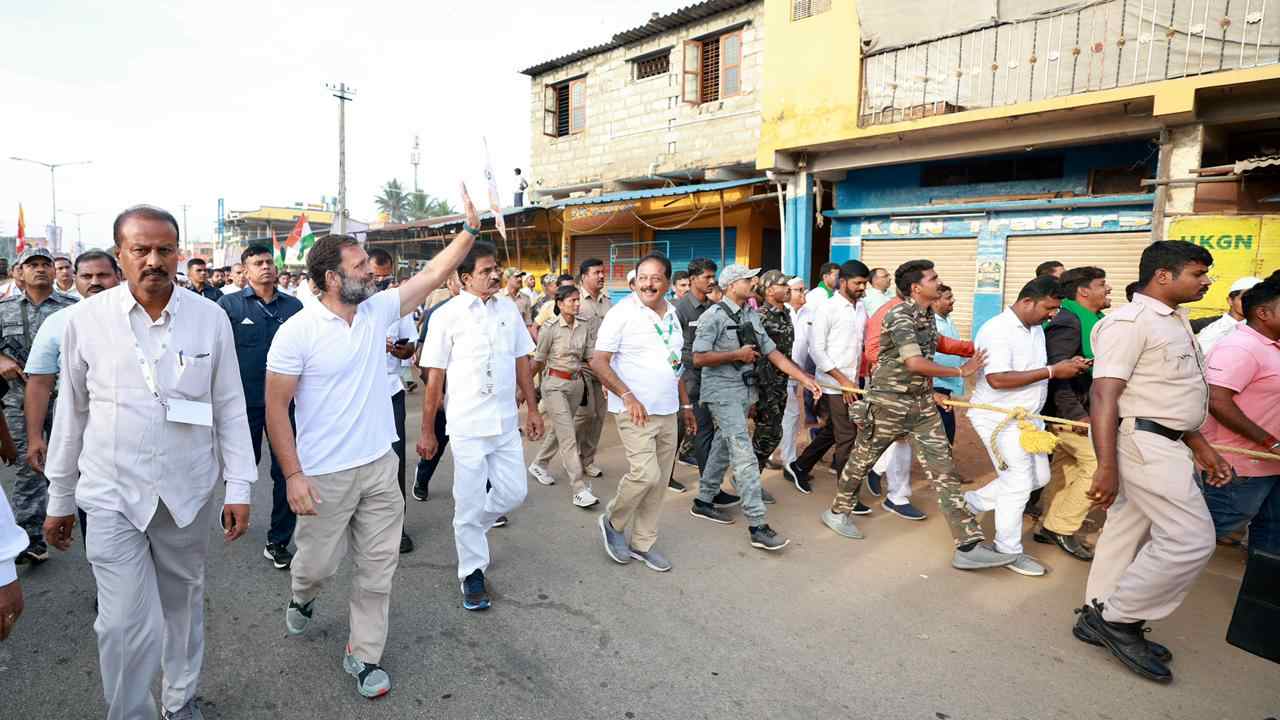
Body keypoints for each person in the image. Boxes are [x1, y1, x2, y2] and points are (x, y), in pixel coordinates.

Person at [42, 205, 256, 720]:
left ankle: (180, 699)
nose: (154, 260)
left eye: (165, 249)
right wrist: (59, 498)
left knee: (181, 607)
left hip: (185, 491)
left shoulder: (210, 318)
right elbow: (70, 411)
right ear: (121, 254)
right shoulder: (85, 321)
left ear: (178, 253)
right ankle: (130, 712)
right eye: (141, 249)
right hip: (111, 493)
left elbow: (229, 403)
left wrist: (240, 487)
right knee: (119, 622)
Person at [265, 196, 477, 699]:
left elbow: (429, 276)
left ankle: (362, 655)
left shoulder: (376, 310)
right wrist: (293, 476)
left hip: (381, 466)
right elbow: (276, 410)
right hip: (323, 476)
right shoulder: (296, 333)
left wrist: (469, 230)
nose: (373, 272)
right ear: (333, 278)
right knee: (316, 566)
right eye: (360, 265)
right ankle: (302, 596)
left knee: (378, 570)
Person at [1071, 240, 1231, 684]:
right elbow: (1104, 394)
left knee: (1125, 531)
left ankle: (1096, 612)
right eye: (1197, 274)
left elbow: (1168, 394)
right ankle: (1119, 620)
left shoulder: (1175, 320)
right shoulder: (1129, 322)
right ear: (1164, 275)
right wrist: (1106, 465)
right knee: (1191, 539)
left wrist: (1200, 444)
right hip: (1144, 444)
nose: (1206, 282)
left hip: (1167, 440)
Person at [824, 261, 1007, 568]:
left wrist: (972, 349)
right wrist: (961, 370)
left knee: (944, 470)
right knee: (863, 459)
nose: (940, 282)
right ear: (916, 287)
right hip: (888, 403)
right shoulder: (898, 315)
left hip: (921, 405)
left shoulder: (926, 315)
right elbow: (914, 363)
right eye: (934, 278)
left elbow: (937, 344)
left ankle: (968, 545)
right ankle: (837, 511)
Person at [419, 240, 544, 611]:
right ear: (465, 277)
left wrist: (533, 409)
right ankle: (471, 572)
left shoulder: (508, 309)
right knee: (469, 500)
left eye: (497, 268)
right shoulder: (446, 315)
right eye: (486, 270)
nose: (495, 275)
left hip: (505, 422)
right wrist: (428, 429)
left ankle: (470, 527)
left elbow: (522, 360)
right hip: (467, 425)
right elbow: (434, 378)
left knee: (513, 494)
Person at [964, 277, 1090, 577]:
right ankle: (1007, 550)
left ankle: (970, 502)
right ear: (1027, 302)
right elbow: (997, 379)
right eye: (1049, 308)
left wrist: (1065, 365)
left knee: (1039, 477)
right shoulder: (997, 329)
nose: (1052, 315)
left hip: (1028, 420)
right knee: (1018, 483)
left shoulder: (1034, 328)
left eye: (1057, 310)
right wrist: (1052, 371)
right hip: (999, 418)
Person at [692, 264, 822, 551]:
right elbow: (698, 358)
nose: (753, 282)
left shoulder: (751, 314)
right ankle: (757, 525)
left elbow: (772, 352)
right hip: (721, 392)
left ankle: (704, 500)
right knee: (744, 454)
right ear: (731, 285)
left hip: (744, 392)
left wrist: (805, 378)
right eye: (747, 279)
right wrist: (735, 355)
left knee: (723, 446)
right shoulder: (712, 316)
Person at [592, 254, 696, 571]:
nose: (649, 284)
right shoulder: (622, 313)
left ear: (666, 282)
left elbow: (673, 363)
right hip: (634, 410)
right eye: (643, 277)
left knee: (660, 481)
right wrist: (627, 395)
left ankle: (642, 544)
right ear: (635, 280)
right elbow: (598, 360)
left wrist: (686, 405)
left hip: (668, 410)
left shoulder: (673, 314)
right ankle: (613, 521)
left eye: (656, 278)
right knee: (645, 474)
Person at [22, 250, 121, 545]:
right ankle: (108, 585)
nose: (95, 282)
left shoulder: (142, 318)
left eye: (103, 275)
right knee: (95, 508)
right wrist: (35, 436)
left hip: (135, 434)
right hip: (82, 432)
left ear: (118, 276)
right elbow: (39, 382)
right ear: (74, 280)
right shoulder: (59, 322)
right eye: (87, 276)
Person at [217, 245, 304, 570]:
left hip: (285, 405)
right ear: (245, 270)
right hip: (243, 403)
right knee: (242, 464)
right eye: (258, 263)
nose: (266, 267)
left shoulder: (294, 307)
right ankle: (234, 504)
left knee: (287, 471)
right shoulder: (228, 306)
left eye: (269, 262)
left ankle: (278, 540)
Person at [0, 247, 78, 563]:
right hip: (19, 400)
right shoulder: (3, 310)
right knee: (28, 465)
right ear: (20, 271)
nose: (41, 269)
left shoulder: (74, 308)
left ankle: (79, 522)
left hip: (66, 400)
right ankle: (30, 539)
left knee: (74, 464)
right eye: (32, 264)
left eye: (46, 264)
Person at [1199, 275, 1280, 553]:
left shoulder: (1272, 345)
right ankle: (1133, 591)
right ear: (1263, 313)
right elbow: (1217, 400)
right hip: (1239, 468)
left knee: (1269, 544)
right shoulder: (1239, 347)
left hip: (1271, 465)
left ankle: (1256, 596)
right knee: (1193, 541)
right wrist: (1271, 441)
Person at [1036, 266, 1111, 561]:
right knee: (1097, 464)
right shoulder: (1068, 321)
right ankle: (1062, 527)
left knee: (1066, 469)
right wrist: (1077, 414)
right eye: (1102, 284)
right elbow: (1058, 371)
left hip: (1080, 409)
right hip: (1069, 412)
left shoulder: (1095, 320)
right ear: (1083, 291)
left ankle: (1046, 525)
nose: (1109, 290)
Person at [785, 260, 870, 497]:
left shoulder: (861, 308)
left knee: (834, 430)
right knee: (848, 436)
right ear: (842, 282)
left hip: (853, 382)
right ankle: (847, 495)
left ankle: (800, 465)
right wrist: (842, 381)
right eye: (858, 283)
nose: (862, 287)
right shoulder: (826, 309)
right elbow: (816, 350)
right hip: (834, 384)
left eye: (865, 283)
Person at [369, 248, 420, 555]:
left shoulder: (397, 305)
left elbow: (410, 344)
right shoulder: (350, 305)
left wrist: (403, 351)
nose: (382, 282)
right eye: (376, 276)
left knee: (396, 461)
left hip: (391, 391)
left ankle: (397, 528)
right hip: (358, 396)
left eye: (387, 277)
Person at [528, 285, 597, 508]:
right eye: (572, 301)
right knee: (568, 435)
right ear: (559, 304)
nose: (577, 304)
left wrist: (606, 382)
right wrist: (524, 388)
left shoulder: (584, 326)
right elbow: (538, 360)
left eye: (578, 300)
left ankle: (539, 463)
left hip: (577, 384)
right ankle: (578, 488)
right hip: (554, 385)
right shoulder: (550, 329)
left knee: (561, 429)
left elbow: (590, 358)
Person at [410, 272, 461, 502]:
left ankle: (489, 498)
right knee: (436, 442)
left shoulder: (491, 312)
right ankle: (422, 478)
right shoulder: (438, 314)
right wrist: (437, 392)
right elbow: (422, 360)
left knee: (481, 450)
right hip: (445, 389)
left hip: (475, 397)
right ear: (450, 284)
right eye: (460, 279)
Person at [673, 257, 719, 486]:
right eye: (707, 277)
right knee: (679, 430)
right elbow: (673, 350)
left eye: (713, 276)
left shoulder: (712, 309)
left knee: (702, 431)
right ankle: (667, 475)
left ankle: (708, 486)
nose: (713, 280)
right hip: (686, 380)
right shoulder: (679, 309)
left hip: (708, 379)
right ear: (692, 279)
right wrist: (699, 360)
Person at [751, 270, 795, 488]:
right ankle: (748, 482)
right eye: (783, 284)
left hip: (781, 384)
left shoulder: (786, 313)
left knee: (774, 433)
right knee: (766, 434)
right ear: (769, 291)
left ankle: (749, 480)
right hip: (764, 386)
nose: (788, 288)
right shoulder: (760, 316)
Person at [576, 258, 612, 479]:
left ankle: (587, 461)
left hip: (603, 367)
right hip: (581, 368)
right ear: (584, 276)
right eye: (596, 272)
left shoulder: (608, 302)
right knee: (583, 416)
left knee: (599, 416)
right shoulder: (574, 299)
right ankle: (566, 457)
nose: (601, 276)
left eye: (602, 272)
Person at [773, 276, 811, 469]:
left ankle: (777, 455)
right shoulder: (778, 313)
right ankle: (788, 460)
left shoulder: (809, 313)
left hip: (798, 374)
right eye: (799, 290)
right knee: (790, 415)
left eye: (803, 289)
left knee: (790, 417)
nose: (803, 294)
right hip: (780, 374)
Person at [931, 284, 964, 445]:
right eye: (948, 298)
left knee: (946, 434)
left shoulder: (947, 321)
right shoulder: (929, 323)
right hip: (932, 387)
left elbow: (956, 350)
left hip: (945, 385)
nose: (953, 300)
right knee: (941, 435)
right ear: (935, 301)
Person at [1197, 276, 1262, 356]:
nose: (1251, 304)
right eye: (1245, 299)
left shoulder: (1262, 329)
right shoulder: (1215, 329)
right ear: (1230, 301)